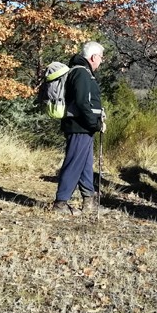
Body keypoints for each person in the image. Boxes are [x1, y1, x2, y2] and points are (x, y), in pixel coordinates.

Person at [52, 41, 106, 215]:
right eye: (101, 57)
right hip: (79, 126)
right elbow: (83, 103)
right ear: (93, 57)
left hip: (81, 126)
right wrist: (95, 123)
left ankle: (88, 200)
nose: (101, 61)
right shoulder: (82, 73)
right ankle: (60, 203)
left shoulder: (81, 71)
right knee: (74, 163)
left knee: (85, 164)